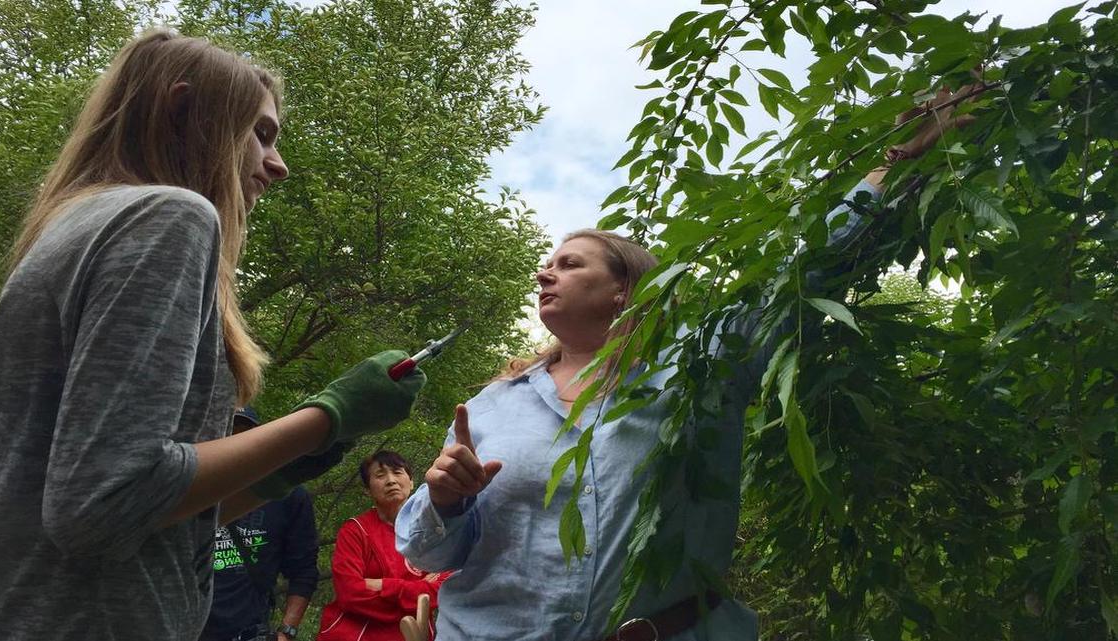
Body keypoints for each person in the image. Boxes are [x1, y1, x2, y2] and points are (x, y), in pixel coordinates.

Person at [396, 88, 980, 640]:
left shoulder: (703, 365)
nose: (544, 273)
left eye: (570, 264)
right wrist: (445, 498)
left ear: (624, 289)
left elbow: (801, 275)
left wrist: (895, 163)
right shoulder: (491, 405)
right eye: (546, 266)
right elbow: (426, 553)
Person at [0, 30, 426, 641]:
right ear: (184, 109)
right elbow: (102, 505)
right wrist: (328, 415)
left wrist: (290, 461)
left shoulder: (71, 225)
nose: (278, 163)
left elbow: (141, 513)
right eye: (260, 134)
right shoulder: (170, 216)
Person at [200, 408, 321, 641]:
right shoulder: (189, 488)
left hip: (247, 632)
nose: (235, 440)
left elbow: (303, 570)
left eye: (244, 434)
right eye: (227, 431)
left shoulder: (286, 496)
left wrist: (287, 631)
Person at [318, 451, 450, 641]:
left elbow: (443, 589)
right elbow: (349, 593)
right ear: (367, 490)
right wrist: (417, 590)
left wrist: (379, 584)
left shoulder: (433, 531)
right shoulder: (356, 531)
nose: (390, 481)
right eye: (380, 475)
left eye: (397, 472)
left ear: (412, 482)